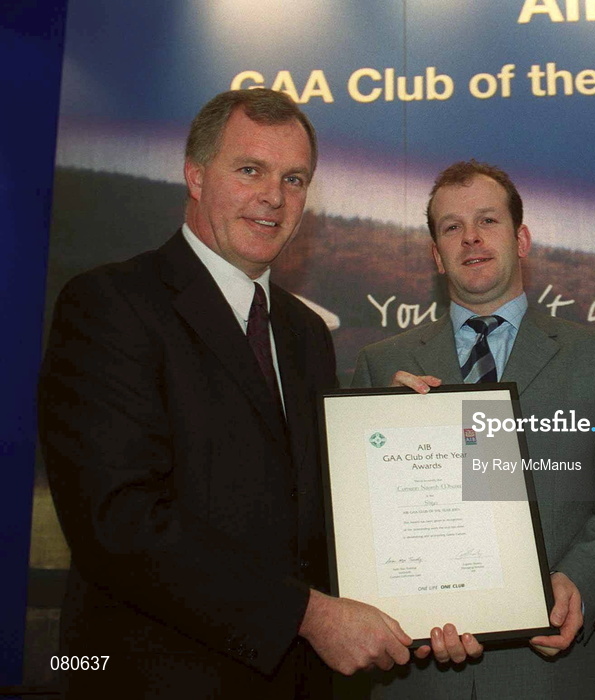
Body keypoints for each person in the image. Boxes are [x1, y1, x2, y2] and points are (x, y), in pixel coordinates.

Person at [38, 88, 416, 698]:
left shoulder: (304, 332)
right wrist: (308, 615)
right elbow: (119, 521)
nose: (274, 196)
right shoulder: (110, 304)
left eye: (294, 179)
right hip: (159, 680)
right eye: (250, 170)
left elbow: (305, 500)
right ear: (194, 175)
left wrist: (391, 437)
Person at [351, 160, 595, 698]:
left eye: (488, 221)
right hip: (420, 679)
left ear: (521, 239)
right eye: (451, 227)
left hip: (553, 674)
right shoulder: (384, 368)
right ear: (435, 254)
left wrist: (580, 585)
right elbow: (358, 518)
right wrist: (389, 433)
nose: (470, 237)